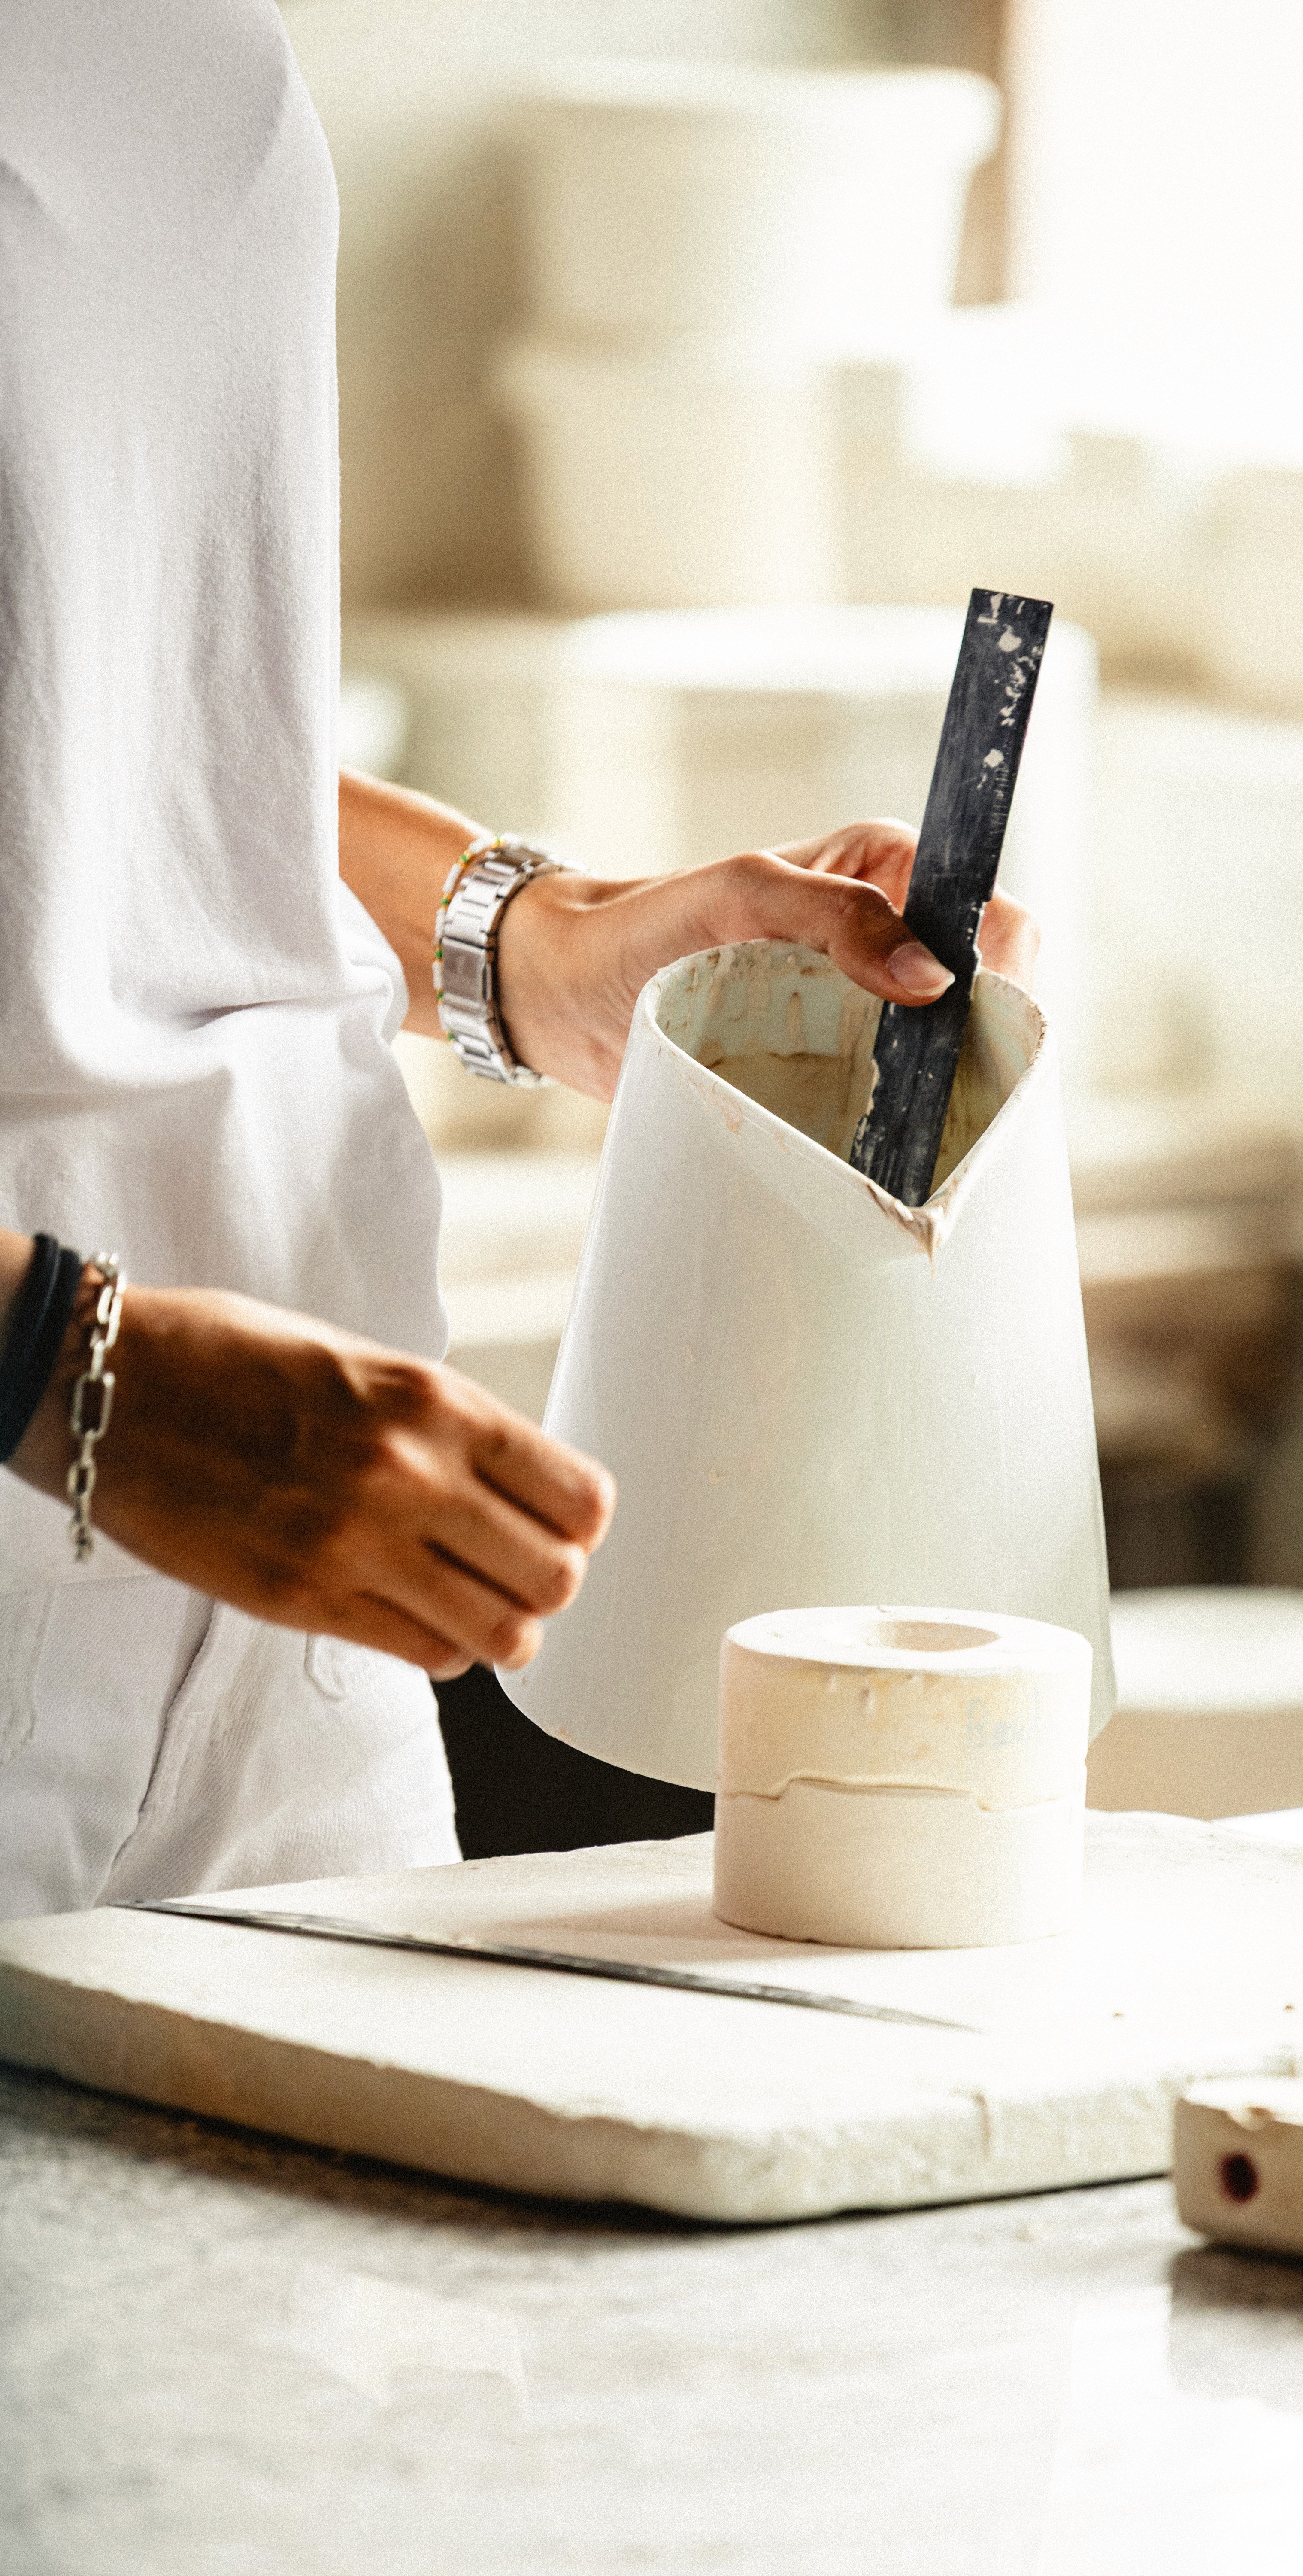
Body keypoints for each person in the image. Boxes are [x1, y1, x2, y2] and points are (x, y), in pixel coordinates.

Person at [0, 1, 1034, 1920]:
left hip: (301, 1592)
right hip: (78, 1426)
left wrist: (532, 947)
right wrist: (51, 1362)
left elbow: (110, 725)